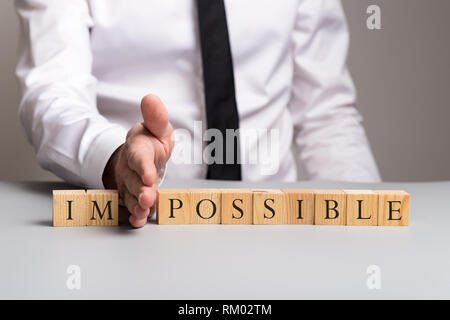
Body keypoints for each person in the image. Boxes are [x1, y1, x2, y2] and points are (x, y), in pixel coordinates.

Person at [15, 0, 381, 228]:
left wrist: (373, 219)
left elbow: (324, 112)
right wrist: (115, 158)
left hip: (274, 225)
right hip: (135, 224)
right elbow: (53, 91)